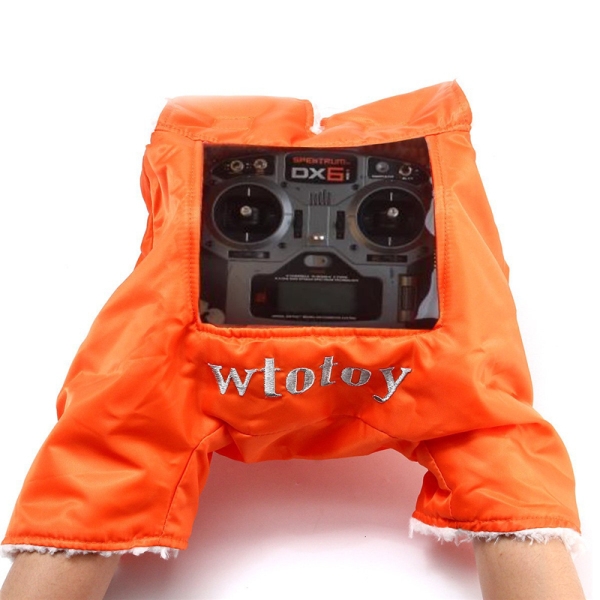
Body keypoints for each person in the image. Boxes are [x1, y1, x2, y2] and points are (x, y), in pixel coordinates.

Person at [0, 82, 586, 599]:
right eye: (247, 212)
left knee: (111, 450)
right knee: (499, 458)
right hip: (422, 358)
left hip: (206, 353)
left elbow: (105, 463)